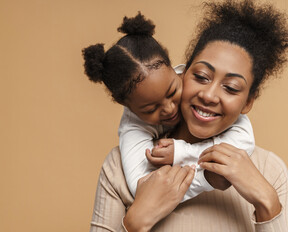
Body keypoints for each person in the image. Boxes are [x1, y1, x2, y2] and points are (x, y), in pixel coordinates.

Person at [88, 0, 288, 232]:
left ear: (248, 102)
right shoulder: (119, 167)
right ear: (182, 73)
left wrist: (268, 202)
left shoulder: (270, 170)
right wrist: (136, 223)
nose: (209, 95)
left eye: (230, 88)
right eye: (201, 76)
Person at [82, 12, 255, 202]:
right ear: (129, 107)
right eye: (150, 109)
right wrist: (206, 178)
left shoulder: (194, 80)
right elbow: (143, 189)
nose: (169, 109)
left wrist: (181, 153)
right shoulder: (133, 125)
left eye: (172, 92)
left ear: (177, 71)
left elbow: (244, 141)